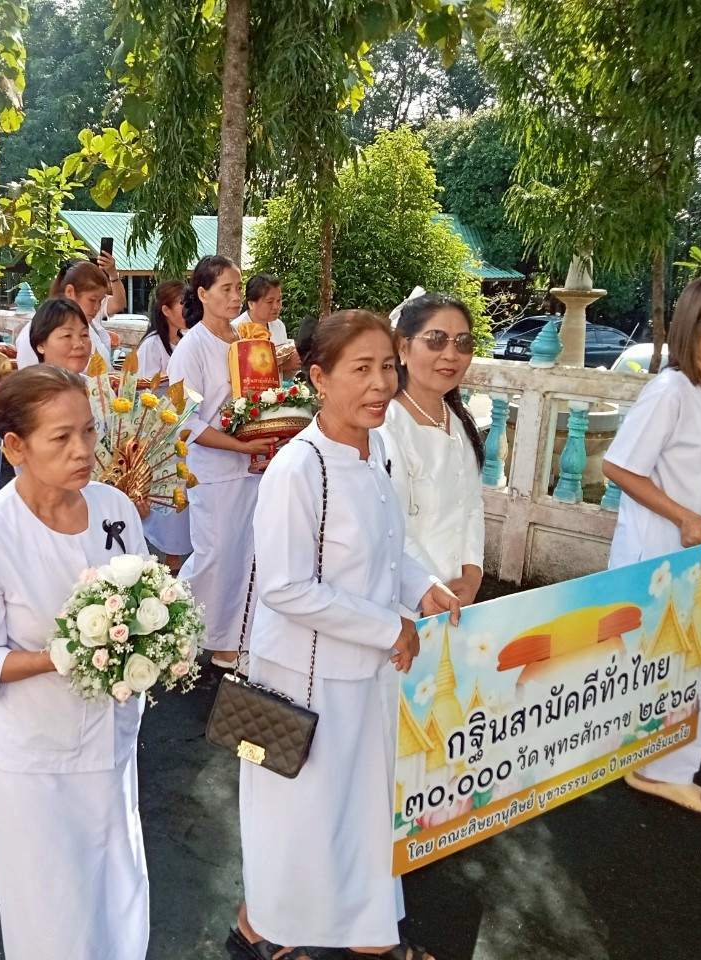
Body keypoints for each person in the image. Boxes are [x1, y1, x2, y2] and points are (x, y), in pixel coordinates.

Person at [233, 309, 458, 960]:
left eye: (388, 366)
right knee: (300, 820)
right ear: (318, 379)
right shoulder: (298, 469)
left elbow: (388, 546)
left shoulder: (377, 449)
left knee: (359, 816)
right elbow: (283, 587)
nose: (381, 383)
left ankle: (366, 940)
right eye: (361, 369)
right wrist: (391, 624)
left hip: (366, 674)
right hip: (304, 681)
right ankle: (261, 931)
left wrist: (421, 587)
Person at [0, 364, 151, 960]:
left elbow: (144, 592)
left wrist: (159, 638)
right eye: (61, 438)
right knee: (51, 909)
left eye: (88, 431)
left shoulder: (114, 508)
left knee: (115, 885)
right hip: (33, 758)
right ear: (14, 447)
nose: (83, 451)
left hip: (110, 743)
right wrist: (57, 658)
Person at [602, 275, 701, 815]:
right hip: (666, 557)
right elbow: (618, 465)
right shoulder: (672, 390)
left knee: (693, 665)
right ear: (697, 324)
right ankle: (661, 769)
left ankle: (657, 761)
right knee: (676, 667)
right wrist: (685, 517)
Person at [167, 255, 273, 669]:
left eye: (237, 288)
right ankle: (173, 628)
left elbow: (262, 397)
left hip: (253, 468)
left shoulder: (247, 339)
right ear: (203, 294)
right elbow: (183, 421)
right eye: (225, 289)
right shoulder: (190, 348)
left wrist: (265, 440)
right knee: (213, 555)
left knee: (248, 554)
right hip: (212, 470)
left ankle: (233, 643)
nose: (234, 296)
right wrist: (241, 446)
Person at [381, 293, 485, 604]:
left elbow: (472, 505)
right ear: (403, 347)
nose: (451, 354)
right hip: (404, 599)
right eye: (436, 339)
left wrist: (472, 575)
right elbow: (391, 526)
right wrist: (429, 587)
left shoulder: (458, 421)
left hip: (456, 597)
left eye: (463, 342)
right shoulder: (387, 426)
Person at [135, 280, 191, 569]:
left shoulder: (188, 339)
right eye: (182, 302)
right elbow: (145, 393)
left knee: (187, 492)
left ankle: (181, 556)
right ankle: (168, 558)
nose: (188, 308)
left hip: (187, 428)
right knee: (171, 492)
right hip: (163, 432)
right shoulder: (152, 345)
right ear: (166, 310)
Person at [16, 258, 124, 370]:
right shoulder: (33, 332)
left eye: (84, 335)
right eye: (92, 300)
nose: (97, 307)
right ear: (70, 292)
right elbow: (30, 381)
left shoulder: (93, 327)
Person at [30, 297, 94, 375]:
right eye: (67, 335)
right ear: (41, 344)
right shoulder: (30, 386)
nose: (79, 344)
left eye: (84, 335)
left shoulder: (94, 385)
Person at [234, 273, 290, 345]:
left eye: (279, 300)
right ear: (251, 304)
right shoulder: (237, 330)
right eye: (270, 302)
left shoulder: (279, 325)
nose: (276, 306)